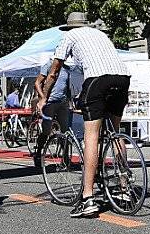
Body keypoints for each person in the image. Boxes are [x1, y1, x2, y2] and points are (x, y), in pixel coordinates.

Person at [42, 12, 130, 218]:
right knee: (115, 133)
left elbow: (54, 72)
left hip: (98, 80)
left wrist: (44, 97)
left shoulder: (69, 36)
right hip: (122, 78)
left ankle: (88, 197)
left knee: (91, 136)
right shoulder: (100, 34)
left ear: (69, 27)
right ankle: (124, 187)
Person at [33, 53, 82, 167]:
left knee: (66, 131)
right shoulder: (48, 65)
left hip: (62, 102)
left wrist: (71, 102)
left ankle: (65, 158)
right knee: (46, 130)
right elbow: (37, 83)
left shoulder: (66, 69)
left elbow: (67, 86)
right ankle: (38, 152)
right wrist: (42, 97)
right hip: (49, 102)